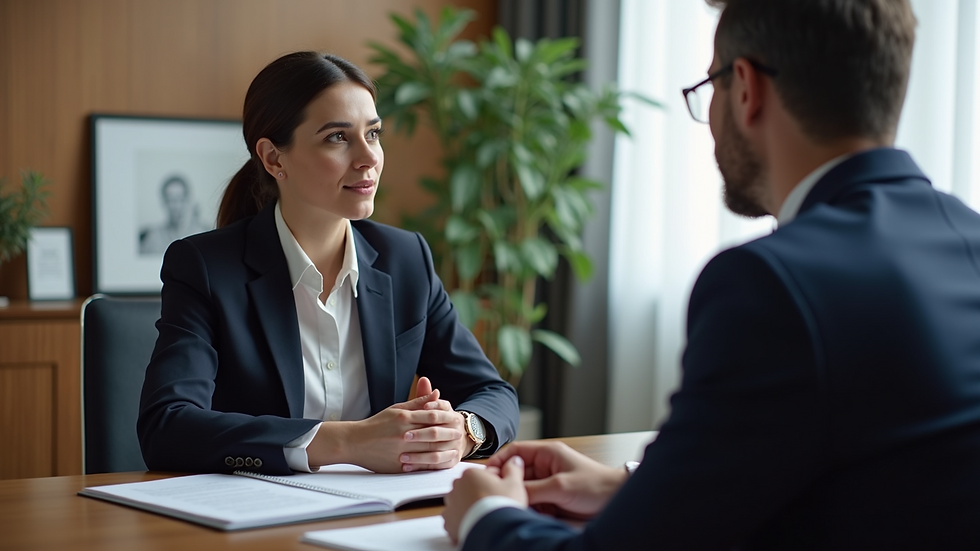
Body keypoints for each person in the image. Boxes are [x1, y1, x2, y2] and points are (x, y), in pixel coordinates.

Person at [443, 0, 980, 549]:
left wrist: (487, 515)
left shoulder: (772, 283)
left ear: (745, 88)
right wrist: (630, 487)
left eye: (712, 85)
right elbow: (882, 481)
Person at [137, 51, 519, 476]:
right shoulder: (205, 268)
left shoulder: (406, 258)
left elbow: (491, 391)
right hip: (254, 517)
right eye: (338, 137)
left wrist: (461, 432)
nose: (368, 157)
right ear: (274, 158)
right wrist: (350, 441)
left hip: (375, 512)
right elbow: (166, 426)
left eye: (373, 134)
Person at [138, 174, 211, 255]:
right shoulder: (153, 238)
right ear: (164, 202)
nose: (176, 205)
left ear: (187, 200)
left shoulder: (202, 233)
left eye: (180, 199)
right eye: (170, 200)